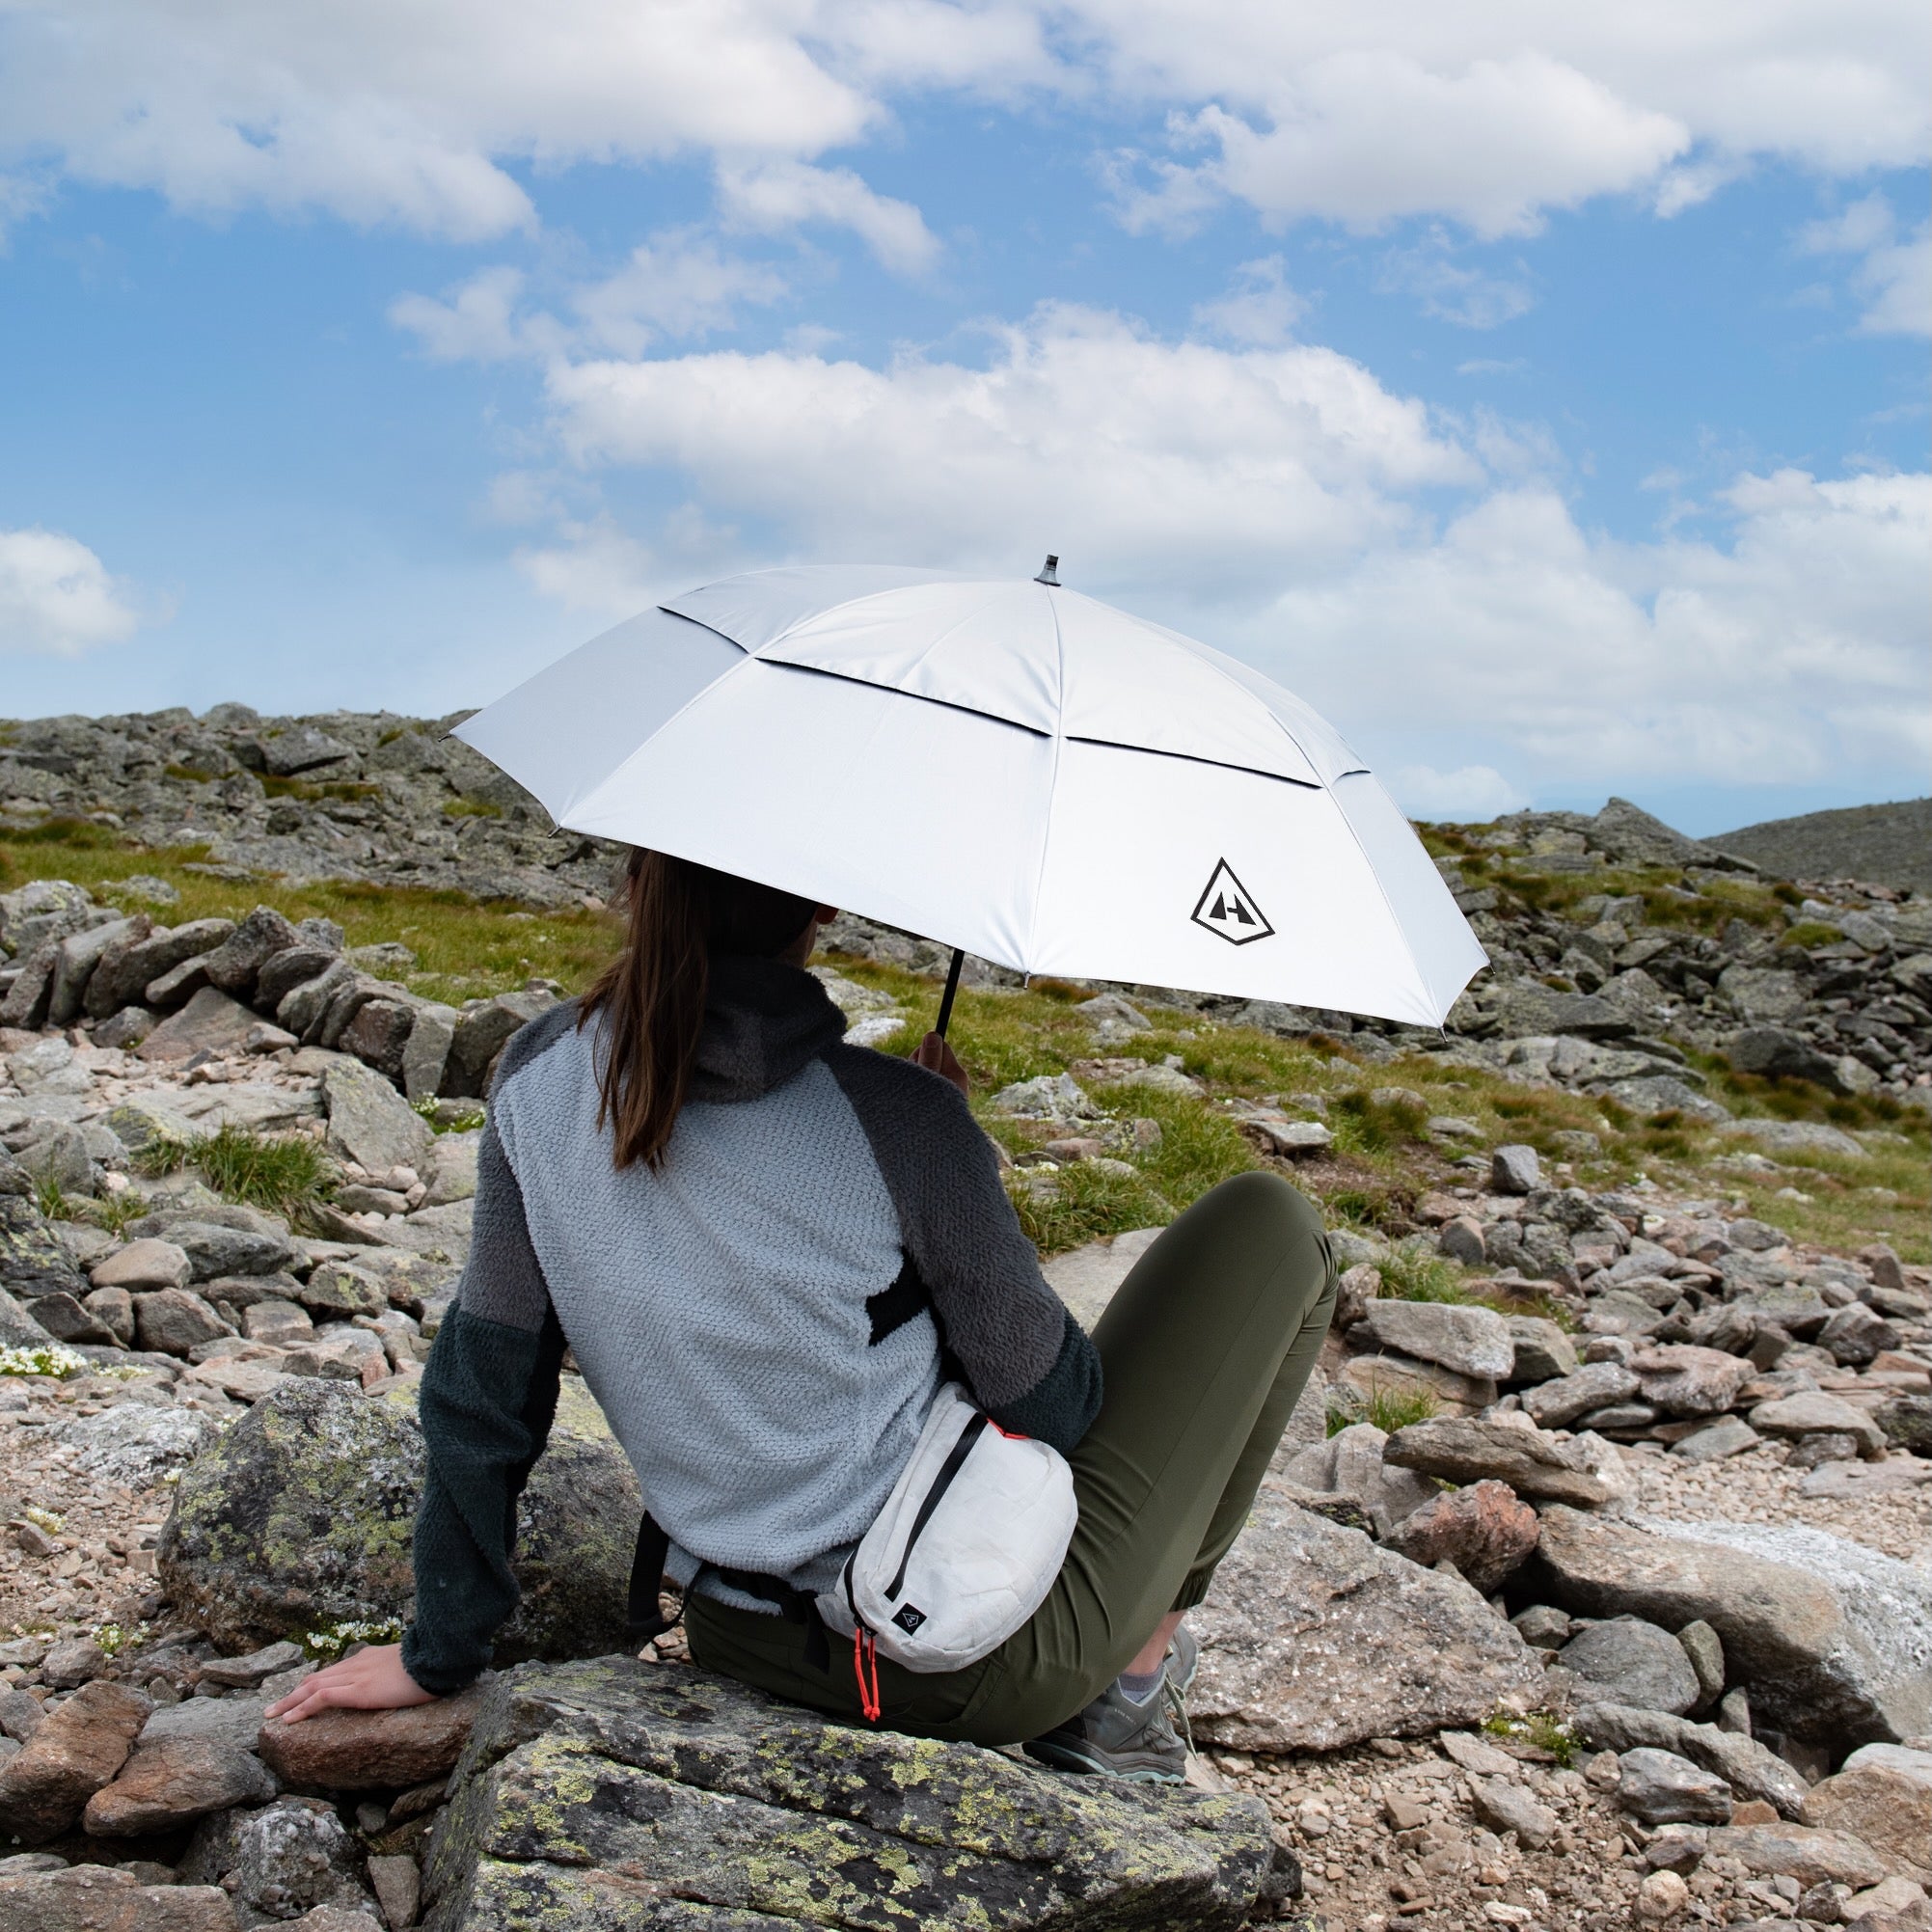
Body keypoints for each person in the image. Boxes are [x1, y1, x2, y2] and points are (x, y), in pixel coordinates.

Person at [268, 851, 1334, 1781]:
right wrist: (962, 1170)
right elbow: (1052, 1405)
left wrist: (435, 1652)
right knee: (1275, 1224)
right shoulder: (897, 1118)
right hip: (955, 1663)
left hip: (735, 1633)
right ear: (818, 909)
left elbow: (482, 1390)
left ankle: (1124, 1683)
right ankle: (1131, 1683)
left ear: (634, 882)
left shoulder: (537, 1079)